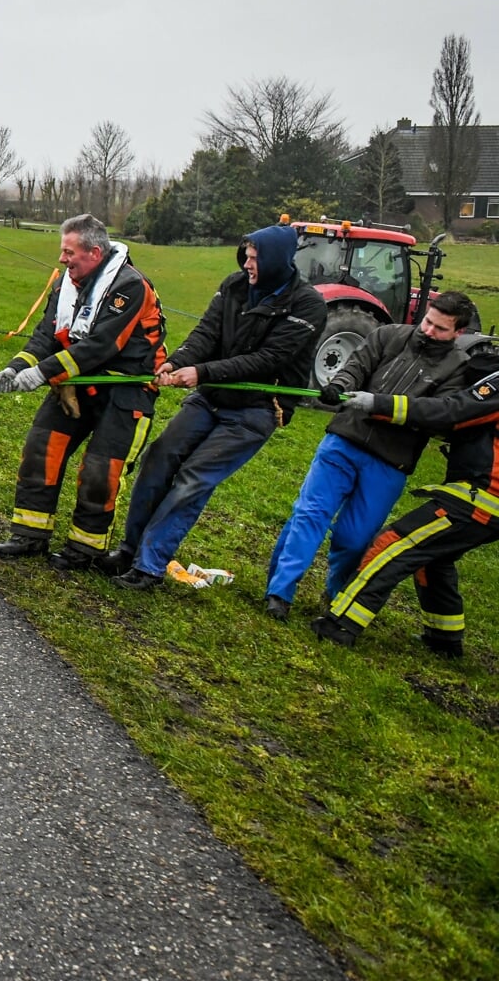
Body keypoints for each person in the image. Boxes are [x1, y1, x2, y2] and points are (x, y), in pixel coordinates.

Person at [101, 224, 328, 590]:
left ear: (276, 260)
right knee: (159, 457)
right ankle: (129, 551)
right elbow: (206, 332)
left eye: (255, 259)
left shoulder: (307, 306)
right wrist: (177, 362)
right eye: (247, 257)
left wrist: (201, 372)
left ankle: (149, 566)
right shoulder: (235, 285)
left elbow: (267, 360)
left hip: (257, 408)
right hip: (210, 398)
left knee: (194, 478)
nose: (248, 264)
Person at [263, 292, 480, 616]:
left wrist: (382, 405)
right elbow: (356, 366)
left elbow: (439, 413)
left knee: (355, 537)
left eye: (440, 329)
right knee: (310, 514)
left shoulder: (458, 370)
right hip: (343, 441)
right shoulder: (387, 335)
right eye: (427, 322)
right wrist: (339, 385)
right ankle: (279, 593)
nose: (429, 331)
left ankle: (338, 596)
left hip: (390, 462)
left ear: (458, 333)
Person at [0, 213, 166, 569]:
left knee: (101, 468)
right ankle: (30, 535)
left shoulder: (130, 286)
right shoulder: (64, 283)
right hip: (75, 382)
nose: (62, 259)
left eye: (69, 252)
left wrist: (43, 373)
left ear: (95, 253)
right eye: (62, 251)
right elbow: (45, 335)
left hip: (125, 390)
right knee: (41, 448)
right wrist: (16, 367)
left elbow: (102, 346)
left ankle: (85, 549)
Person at [310, 338, 499, 657]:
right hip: (482, 501)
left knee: (393, 546)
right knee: (434, 559)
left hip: (481, 498)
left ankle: (341, 623)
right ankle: (444, 640)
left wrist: (379, 404)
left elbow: (456, 412)